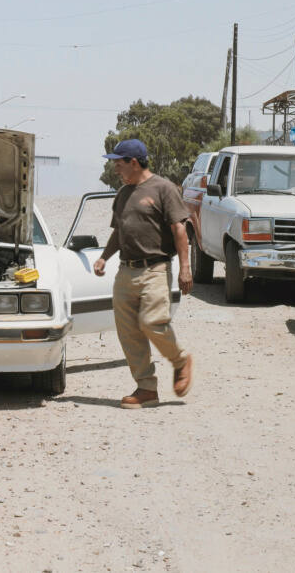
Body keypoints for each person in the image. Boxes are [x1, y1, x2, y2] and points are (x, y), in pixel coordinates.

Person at [92, 139, 194, 408]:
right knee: (128, 332)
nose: (115, 168)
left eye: (118, 163)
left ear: (134, 163)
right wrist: (103, 257)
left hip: (156, 268)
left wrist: (185, 267)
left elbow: (179, 230)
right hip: (126, 270)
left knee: (152, 322)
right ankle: (146, 388)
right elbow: (119, 231)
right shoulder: (123, 194)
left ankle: (180, 360)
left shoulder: (164, 188)